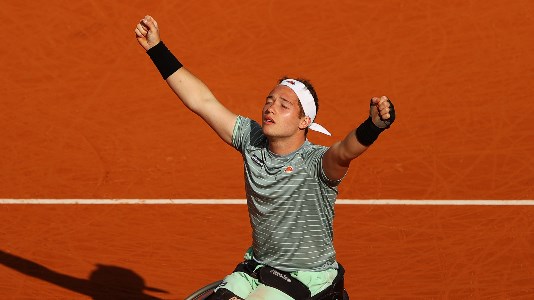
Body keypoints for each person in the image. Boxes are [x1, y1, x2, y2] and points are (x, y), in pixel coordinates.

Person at [135, 15, 395, 300]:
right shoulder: (251, 140)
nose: (270, 108)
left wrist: (374, 126)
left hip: (308, 276)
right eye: (269, 101)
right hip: (258, 266)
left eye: (284, 105)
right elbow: (203, 102)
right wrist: (156, 48)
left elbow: (345, 150)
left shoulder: (316, 164)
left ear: (304, 120)